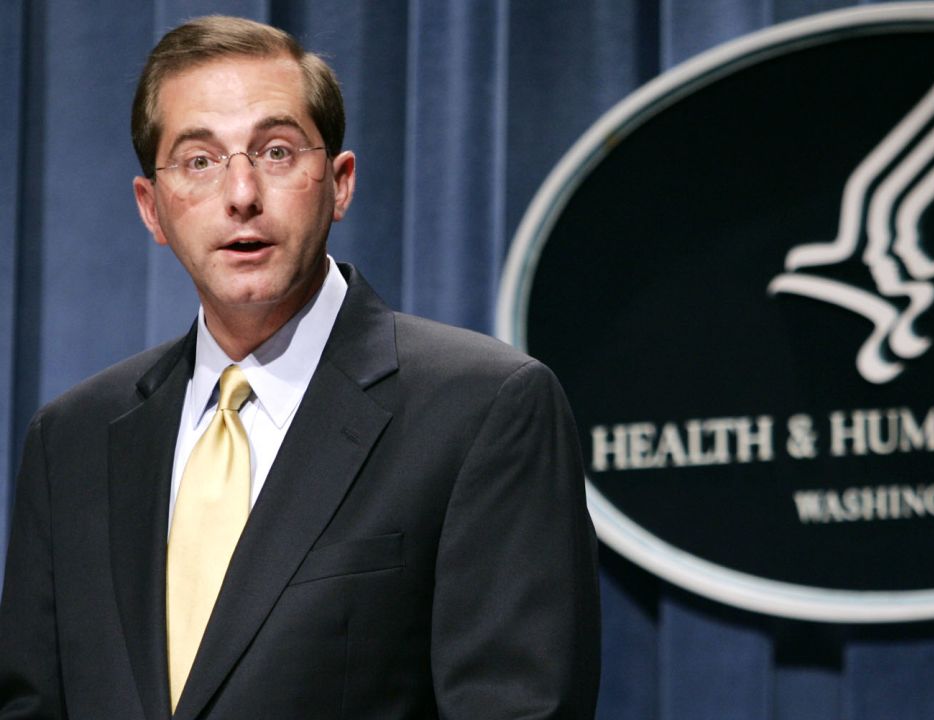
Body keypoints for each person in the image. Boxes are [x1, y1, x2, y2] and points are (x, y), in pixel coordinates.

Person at [0, 15, 599, 720]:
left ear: (339, 183)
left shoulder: (484, 410)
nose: (242, 193)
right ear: (152, 210)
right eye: (199, 160)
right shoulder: (70, 441)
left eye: (276, 152)